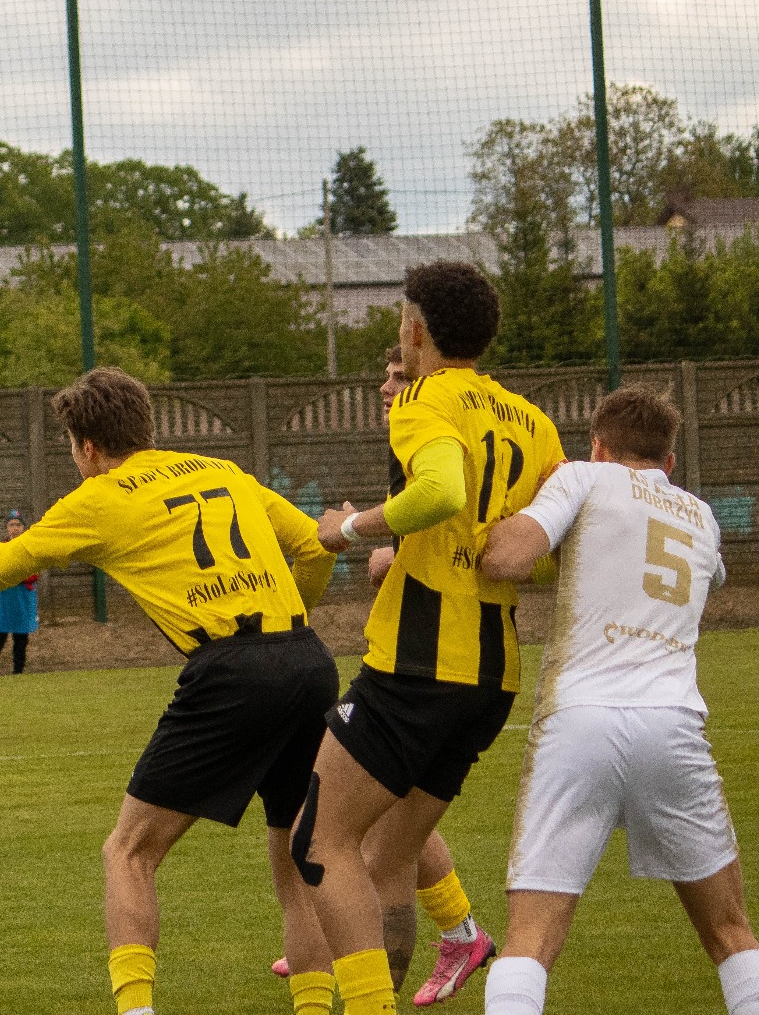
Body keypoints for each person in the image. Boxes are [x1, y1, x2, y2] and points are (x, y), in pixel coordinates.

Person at [0, 366, 342, 1015]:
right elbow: (315, 545)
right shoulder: (222, 471)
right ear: (148, 425)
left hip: (231, 672)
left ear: (87, 448)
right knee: (295, 852)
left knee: (128, 852)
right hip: (307, 661)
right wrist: (290, 621)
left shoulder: (100, 496)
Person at [296, 262, 565, 1015]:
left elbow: (441, 489)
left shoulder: (423, 400)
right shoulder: (531, 421)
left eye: (399, 324)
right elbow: (544, 550)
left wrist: (347, 529)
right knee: (389, 860)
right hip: (491, 674)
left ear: (417, 331)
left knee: (320, 839)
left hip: (418, 665)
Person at [478, 385, 759, 1015]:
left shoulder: (583, 478)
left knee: (529, 938)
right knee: (731, 933)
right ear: (671, 459)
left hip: (580, 721)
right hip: (674, 724)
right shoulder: (703, 516)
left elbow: (507, 558)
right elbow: (709, 573)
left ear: (599, 445)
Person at [271, 347, 495, 1006]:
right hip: (451, 664)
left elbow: (451, 519)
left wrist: (368, 538)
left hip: (422, 666)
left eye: (396, 375)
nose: (383, 384)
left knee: (349, 834)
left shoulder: (431, 433)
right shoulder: (435, 437)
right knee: (378, 825)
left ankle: (382, 951)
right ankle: (451, 933)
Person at [0, 512, 37, 676]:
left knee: (21, 637)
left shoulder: (29, 548)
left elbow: (33, 574)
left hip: (22, 599)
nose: (15, 528)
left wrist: (12, 575)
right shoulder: (0, 548)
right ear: (7, 529)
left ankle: (18, 671)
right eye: (11, 525)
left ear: (24, 528)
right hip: (3, 600)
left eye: (18, 525)